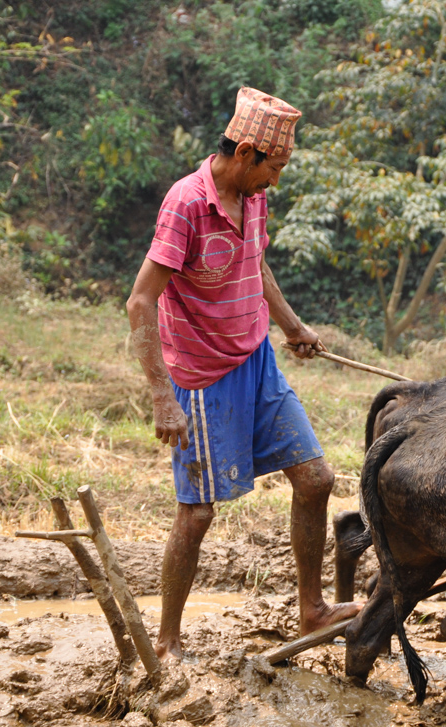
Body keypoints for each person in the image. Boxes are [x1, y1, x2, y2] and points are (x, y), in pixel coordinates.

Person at [126, 86, 361, 660]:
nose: (276, 179)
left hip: (257, 361)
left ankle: (312, 609)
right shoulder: (186, 203)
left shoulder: (252, 198)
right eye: (274, 166)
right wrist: (162, 397)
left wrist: (292, 328)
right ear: (247, 151)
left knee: (316, 480)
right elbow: (140, 302)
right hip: (202, 379)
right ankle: (168, 641)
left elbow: (257, 264)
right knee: (198, 511)